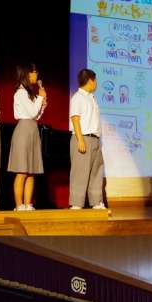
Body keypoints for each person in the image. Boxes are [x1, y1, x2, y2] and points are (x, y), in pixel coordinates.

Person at [8, 63, 46, 210]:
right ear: (27, 74)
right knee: (22, 171)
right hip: (23, 131)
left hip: (32, 129)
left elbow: (36, 116)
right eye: (34, 72)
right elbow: (30, 112)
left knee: (31, 171)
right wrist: (40, 98)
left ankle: (28, 204)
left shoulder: (30, 93)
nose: (37, 75)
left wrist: (42, 105)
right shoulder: (21, 93)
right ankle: (19, 205)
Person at [69, 68, 105, 210]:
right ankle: (76, 203)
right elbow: (75, 119)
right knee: (80, 172)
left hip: (95, 139)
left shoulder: (92, 98)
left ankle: (96, 201)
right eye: (95, 80)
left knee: (96, 171)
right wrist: (80, 140)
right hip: (83, 137)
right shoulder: (78, 97)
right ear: (91, 80)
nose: (96, 83)